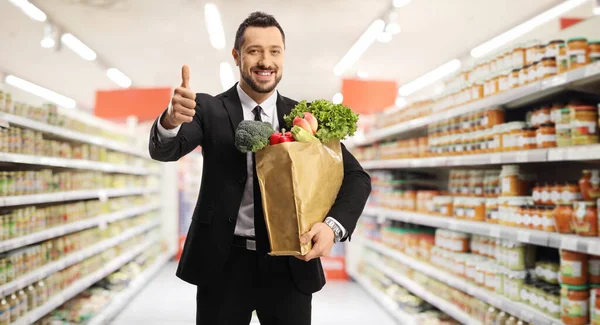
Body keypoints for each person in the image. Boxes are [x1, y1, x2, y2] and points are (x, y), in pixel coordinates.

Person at [148, 11, 371, 325]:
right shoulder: (207, 109)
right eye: (254, 51)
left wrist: (332, 227)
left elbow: (356, 177)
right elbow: (165, 149)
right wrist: (171, 120)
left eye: (274, 51)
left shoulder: (304, 116)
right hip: (223, 263)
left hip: (289, 262)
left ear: (283, 56)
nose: (265, 61)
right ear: (237, 56)